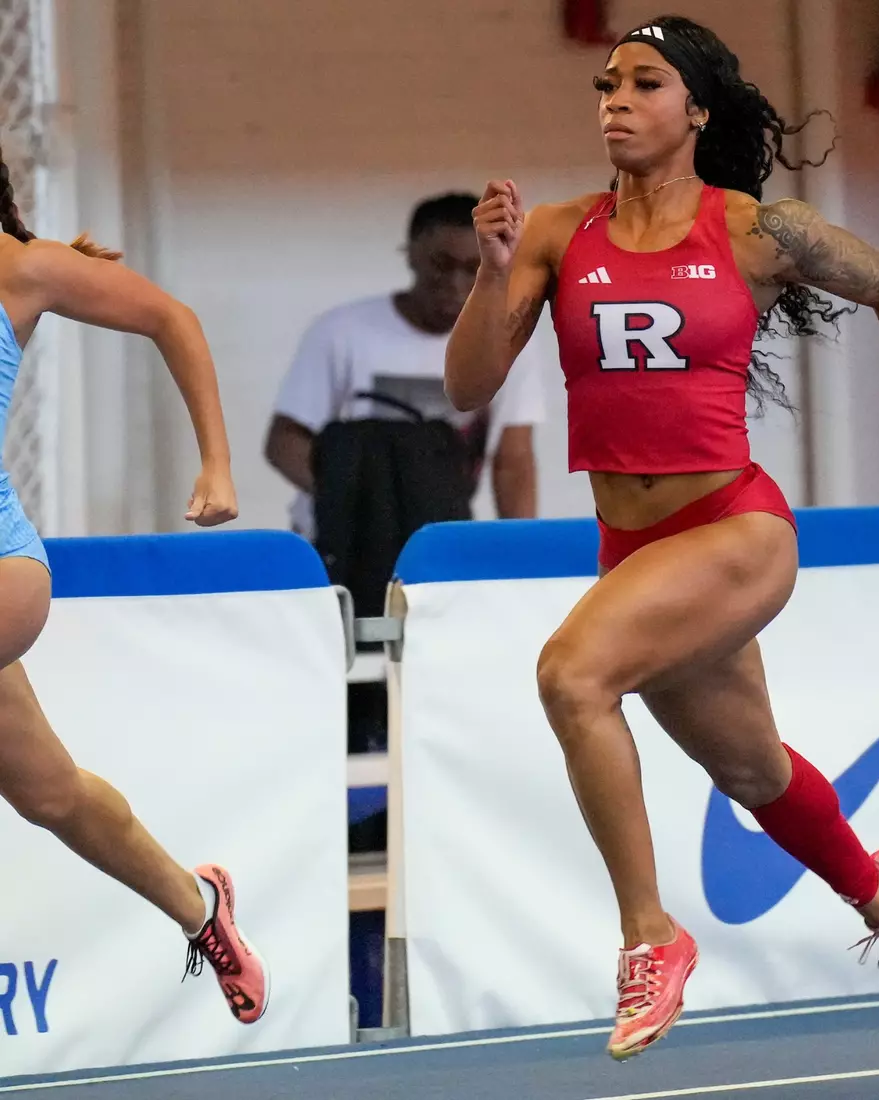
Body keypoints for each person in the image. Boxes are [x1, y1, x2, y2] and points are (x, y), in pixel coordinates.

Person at [445, 16, 879, 1061]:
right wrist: (489, 272)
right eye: (604, 83)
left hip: (734, 528)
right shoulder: (559, 234)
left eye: (642, 84)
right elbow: (467, 387)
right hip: (632, 547)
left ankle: (650, 934)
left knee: (570, 675)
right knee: (750, 770)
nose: (612, 99)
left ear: (693, 109)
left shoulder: (756, 230)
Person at [0, 153, 268, 1025]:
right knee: (49, 793)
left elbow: (172, 319)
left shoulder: (23, 267)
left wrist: (217, 465)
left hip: (3, 571)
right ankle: (200, 908)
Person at [265, 192, 545, 542]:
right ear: (411, 254)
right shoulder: (340, 332)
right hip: (344, 539)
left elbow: (513, 461)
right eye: (441, 264)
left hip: (440, 540)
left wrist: (523, 551)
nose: (456, 282)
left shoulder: (507, 339)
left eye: (472, 267)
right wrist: (355, 499)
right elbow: (285, 441)